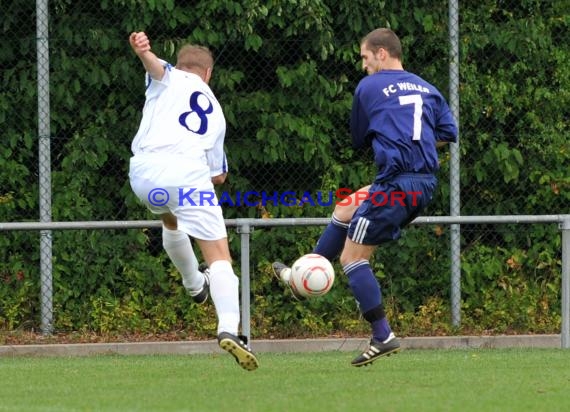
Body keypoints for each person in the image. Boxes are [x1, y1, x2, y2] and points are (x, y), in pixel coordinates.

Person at [273, 28, 458, 367]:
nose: (364, 65)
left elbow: (359, 138)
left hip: (394, 188)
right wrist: (416, 147)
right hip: (422, 182)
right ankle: (307, 271)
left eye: (365, 57)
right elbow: (448, 133)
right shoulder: (428, 88)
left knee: (352, 259)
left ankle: (382, 334)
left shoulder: (369, 87)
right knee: (346, 206)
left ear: (382, 53)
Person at [128, 31, 259, 371]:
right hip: (186, 173)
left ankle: (194, 285)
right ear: (208, 74)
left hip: (143, 173)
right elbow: (218, 176)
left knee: (170, 219)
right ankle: (230, 328)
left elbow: (157, 69)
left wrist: (144, 52)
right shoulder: (215, 110)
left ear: (182, 65)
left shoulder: (168, 79)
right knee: (218, 254)